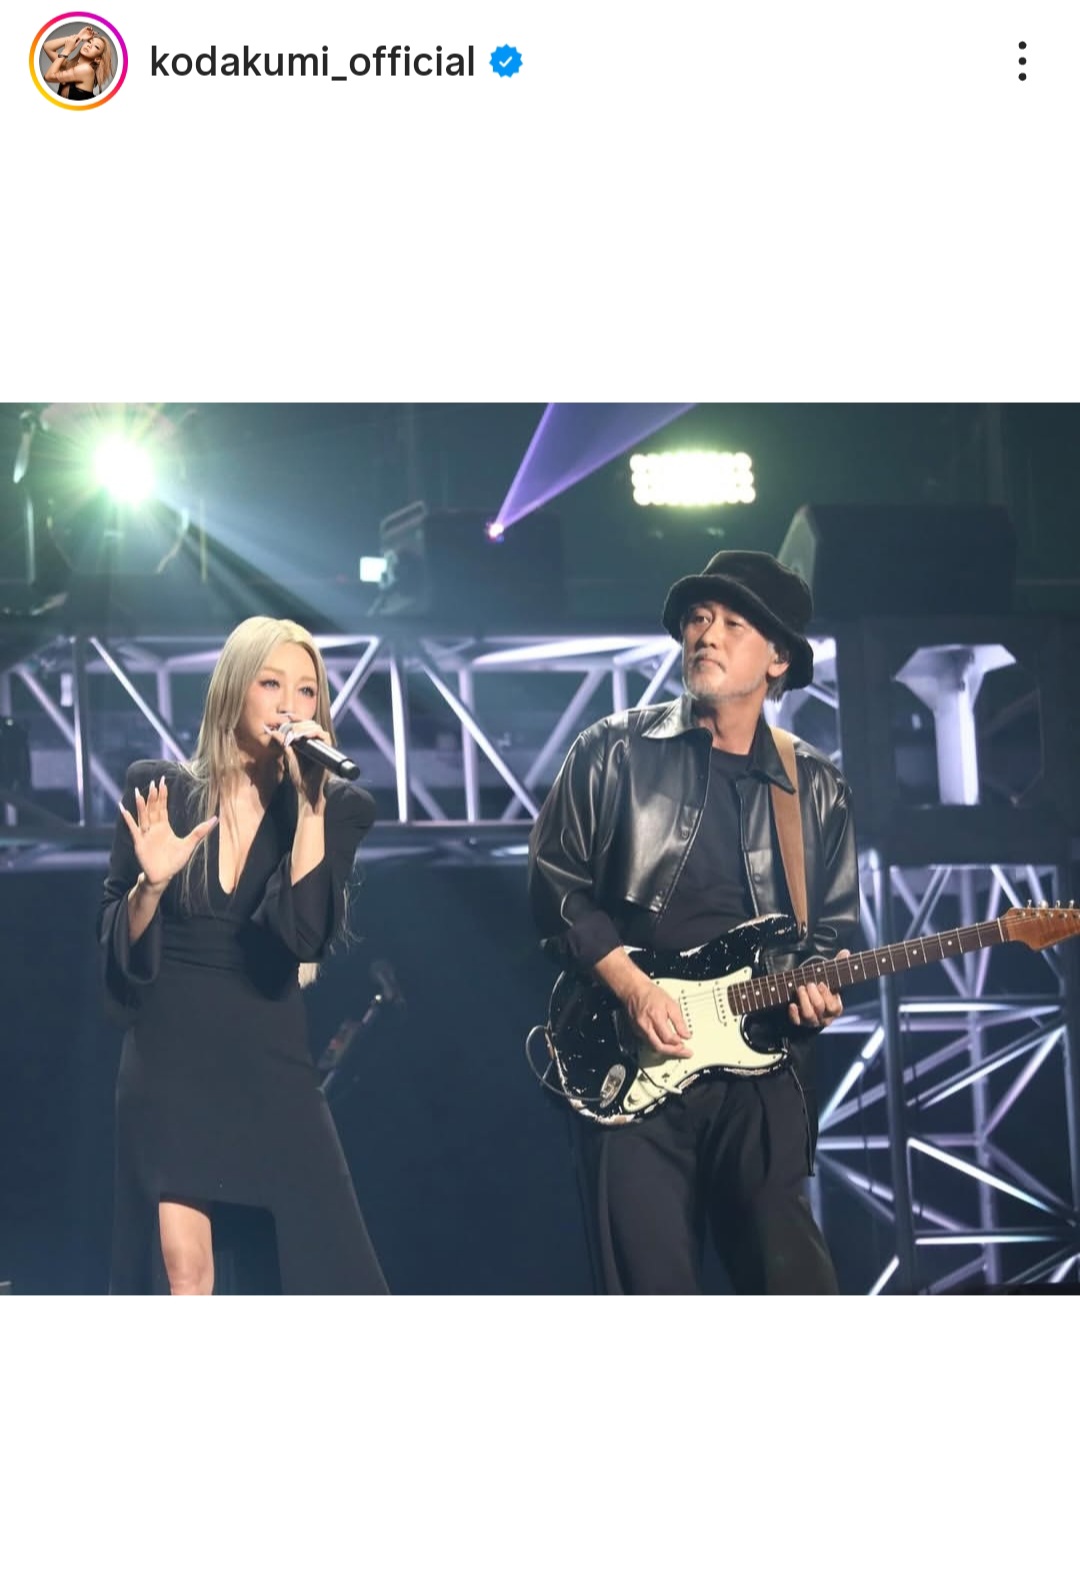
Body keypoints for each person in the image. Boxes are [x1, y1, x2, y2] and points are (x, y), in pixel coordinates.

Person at [528, 551, 859, 1294]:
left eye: (733, 624)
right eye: (699, 619)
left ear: (777, 659)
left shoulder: (816, 786)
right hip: (630, 1055)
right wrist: (631, 985)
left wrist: (817, 991)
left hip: (764, 1065)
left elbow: (831, 935)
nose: (706, 634)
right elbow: (554, 885)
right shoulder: (612, 751)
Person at [97, 616, 388, 1294]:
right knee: (184, 1275)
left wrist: (310, 808)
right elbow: (117, 956)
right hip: (170, 1055)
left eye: (307, 691)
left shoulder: (339, 808)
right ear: (234, 689)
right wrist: (150, 885)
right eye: (271, 684)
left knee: (325, 1278)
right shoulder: (161, 790)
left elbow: (302, 937)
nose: (290, 705)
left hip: (269, 1059)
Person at [43, 26, 115, 101]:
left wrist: (67, 50)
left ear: (97, 59)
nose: (89, 45)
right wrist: (78, 37)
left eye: (96, 47)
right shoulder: (71, 66)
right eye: (89, 41)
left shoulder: (86, 70)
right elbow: (47, 47)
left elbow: (48, 77)